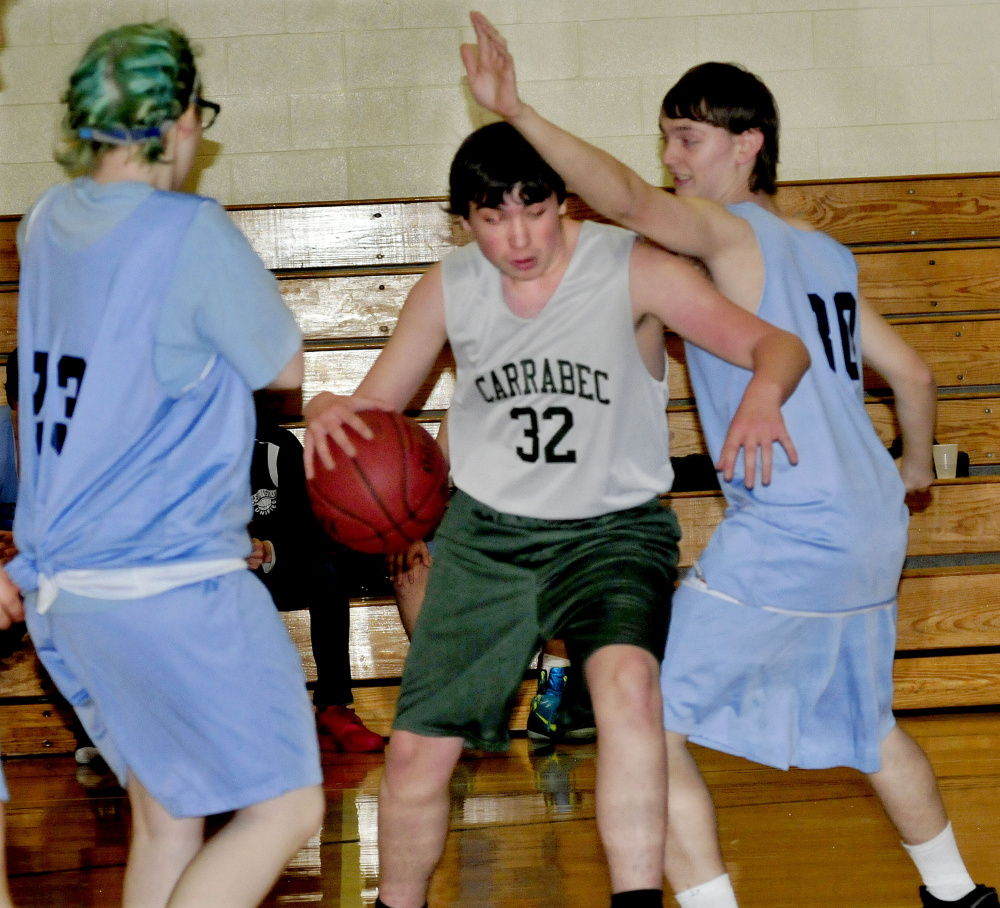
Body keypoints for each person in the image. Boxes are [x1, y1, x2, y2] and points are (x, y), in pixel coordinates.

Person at [461, 13, 997, 908]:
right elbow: (912, 372)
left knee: (645, 717)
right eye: (667, 136)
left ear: (749, 145)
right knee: (868, 729)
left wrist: (516, 112)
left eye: (689, 137)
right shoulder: (824, 254)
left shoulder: (725, 231)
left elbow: (628, 201)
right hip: (865, 526)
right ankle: (959, 895)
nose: (673, 156)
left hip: (797, 522)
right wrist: (913, 469)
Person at [305, 120, 809, 908]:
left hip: (612, 530)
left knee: (629, 688)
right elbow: (373, 410)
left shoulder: (633, 269)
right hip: (487, 538)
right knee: (414, 756)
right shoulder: (448, 287)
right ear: (464, 221)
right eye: (495, 217)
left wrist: (763, 395)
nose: (519, 235)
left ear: (562, 201)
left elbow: (777, 346)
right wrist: (325, 403)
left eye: (535, 210)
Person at [0, 23, 324, 908]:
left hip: (71, 587)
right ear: (178, 120)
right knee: (289, 806)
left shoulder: (45, 222)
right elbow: (284, 371)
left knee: (169, 818)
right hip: (171, 584)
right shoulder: (189, 229)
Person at [249, 391, 383, 752]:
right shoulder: (186, 447)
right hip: (208, 571)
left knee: (326, 570)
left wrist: (267, 549)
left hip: (268, 566)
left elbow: (307, 529)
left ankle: (334, 705)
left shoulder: (277, 443)